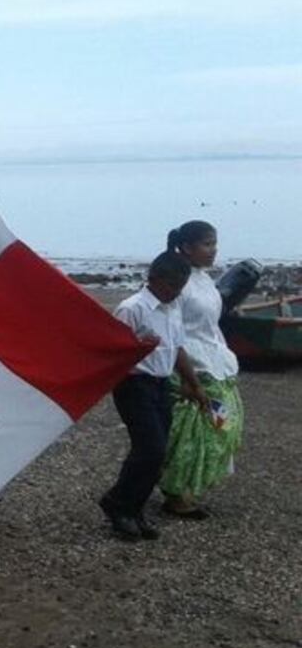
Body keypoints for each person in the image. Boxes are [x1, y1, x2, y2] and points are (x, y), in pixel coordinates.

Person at [99, 251, 208, 542]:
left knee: (159, 452)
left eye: (180, 287)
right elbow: (112, 350)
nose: (175, 292)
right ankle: (118, 504)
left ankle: (134, 509)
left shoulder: (172, 308)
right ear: (154, 279)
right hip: (134, 384)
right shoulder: (132, 308)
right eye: (171, 286)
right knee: (150, 448)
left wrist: (193, 383)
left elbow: (177, 348)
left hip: (162, 384)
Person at [160, 221, 245, 519]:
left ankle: (188, 487)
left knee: (223, 425)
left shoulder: (204, 279)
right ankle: (177, 493)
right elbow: (171, 328)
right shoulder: (177, 280)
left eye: (214, 243)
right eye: (207, 244)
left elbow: (210, 323)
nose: (214, 249)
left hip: (216, 359)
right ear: (186, 247)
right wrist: (186, 374)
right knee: (193, 431)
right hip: (193, 364)